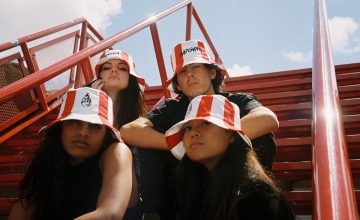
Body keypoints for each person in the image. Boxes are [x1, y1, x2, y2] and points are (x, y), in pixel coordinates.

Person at [120, 39, 279, 219]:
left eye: (195, 67)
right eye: (182, 72)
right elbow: (128, 130)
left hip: (235, 180)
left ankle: (254, 203)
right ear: (178, 84)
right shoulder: (172, 108)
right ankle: (155, 214)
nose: (189, 75)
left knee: (264, 137)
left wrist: (213, 140)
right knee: (145, 146)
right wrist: (178, 143)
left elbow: (268, 119)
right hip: (187, 186)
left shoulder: (237, 101)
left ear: (212, 73)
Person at [8, 87, 133, 220]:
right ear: (60, 128)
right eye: (74, 122)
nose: (83, 132)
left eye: (95, 126)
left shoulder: (117, 152)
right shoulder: (48, 157)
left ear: (106, 135)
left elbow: (110, 214)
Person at [165, 94, 295, 220]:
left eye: (205, 123)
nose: (193, 132)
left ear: (232, 136)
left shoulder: (258, 197)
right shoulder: (186, 188)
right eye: (188, 128)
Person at [92, 49, 161, 219]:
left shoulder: (140, 125)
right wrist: (93, 100)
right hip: (89, 198)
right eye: (107, 67)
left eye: (122, 68)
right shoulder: (82, 117)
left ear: (130, 77)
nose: (114, 70)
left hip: (131, 208)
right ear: (99, 77)